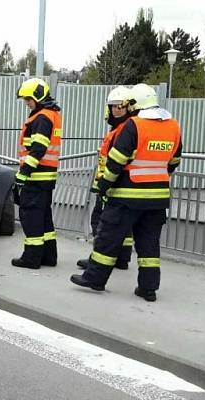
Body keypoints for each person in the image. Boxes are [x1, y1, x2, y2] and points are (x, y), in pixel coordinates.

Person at [71, 84, 183, 302]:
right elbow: (174, 162)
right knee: (149, 245)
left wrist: (103, 186)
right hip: (158, 198)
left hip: (127, 195)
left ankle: (95, 279)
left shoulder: (134, 125)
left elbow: (117, 161)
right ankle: (148, 289)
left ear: (136, 104)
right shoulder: (173, 126)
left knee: (108, 238)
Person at [76, 86, 134, 270]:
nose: (116, 109)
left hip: (110, 184)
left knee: (101, 223)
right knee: (123, 226)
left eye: (120, 106)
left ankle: (98, 260)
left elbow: (116, 161)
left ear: (128, 107)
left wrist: (104, 185)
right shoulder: (124, 128)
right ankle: (122, 259)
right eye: (113, 106)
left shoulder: (122, 130)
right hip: (116, 184)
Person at [11, 78, 63, 270]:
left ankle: (31, 259)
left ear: (38, 97)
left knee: (31, 217)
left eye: (28, 99)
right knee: (44, 218)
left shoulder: (41, 118)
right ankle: (49, 256)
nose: (26, 103)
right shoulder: (51, 115)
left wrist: (22, 174)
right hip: (46, 178)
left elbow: (38, 149)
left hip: (36, 177)